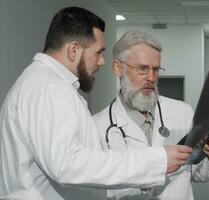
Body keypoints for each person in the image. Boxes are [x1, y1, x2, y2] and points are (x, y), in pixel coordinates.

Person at [0, 7, 192, 200]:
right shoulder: (49, 88)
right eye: (99, 52)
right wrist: (155, 161)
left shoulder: (39, 82)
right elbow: (67, 165)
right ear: (74, 50)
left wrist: (147, 174)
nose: (101, 62)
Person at [93, 30, 209, 200]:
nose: (151, 77)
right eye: (142, 69)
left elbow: (197, 173)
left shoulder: (182, 112)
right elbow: (98, 187)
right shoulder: (97, 126)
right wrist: (150, 169)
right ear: (118, 68)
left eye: (156, 70)